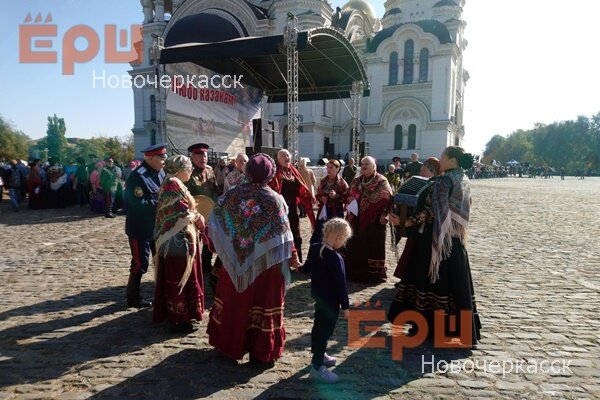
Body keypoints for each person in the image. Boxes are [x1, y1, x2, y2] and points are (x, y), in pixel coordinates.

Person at [207, 153, 300, 364]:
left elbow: (213, 224)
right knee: (263, 302)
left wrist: (219, 246)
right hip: (267, 264)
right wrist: (293, 257)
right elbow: (286, 236)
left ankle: (229, 343)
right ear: (270, 174)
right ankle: (262, 350)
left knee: (235, 300)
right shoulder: (275, 200)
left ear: (248, 172)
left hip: (234, 262)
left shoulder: (230, 196)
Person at [388, 147, 481, 346]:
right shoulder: (464, 178)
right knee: (454, 285)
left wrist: (403, 223)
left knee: (429, 282)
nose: (440, 160)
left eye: (443, 157)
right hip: (454, 241)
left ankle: (428, 327)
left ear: (453, 161)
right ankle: (455, 329)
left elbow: (431, 213)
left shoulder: (443, 181)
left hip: (435, 241)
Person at [153, 155, 205, 334]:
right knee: (178, 278)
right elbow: (181, 211)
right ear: (181, 169)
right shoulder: (172, 183)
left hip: (180, 238)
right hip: (175, 240)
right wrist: (198, 218)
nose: (190, 170)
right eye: (189, 167)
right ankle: (178, 318)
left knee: (184, 276)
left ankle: (186, 314)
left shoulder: (173, 182)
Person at [298, 218, 352, 383]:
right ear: (339, 238)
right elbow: (340, 285)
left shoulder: (315, 249)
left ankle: (319, 354)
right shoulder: (336, 259)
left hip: (319, 299)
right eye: (343, 240)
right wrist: (346, 306)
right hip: (331, 303)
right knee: (325, 332)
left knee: (318, 327)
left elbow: (306, 268)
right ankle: (317, 367)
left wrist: (297, 266)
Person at [124, 143, 167, 308]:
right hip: (140, 228)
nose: (164, 160)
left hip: (156, 226)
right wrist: (162, 203)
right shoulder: (137, 176)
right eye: (161, 157)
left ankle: (161, 292)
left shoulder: (160, 172)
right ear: (150, 158)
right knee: (140, 263)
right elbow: (137, 203)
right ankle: (133, 297)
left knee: (160, 260)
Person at [342, 156, 393, 284]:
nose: (364, 166)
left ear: (374, 166)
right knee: (355, 245)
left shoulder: (382, 181)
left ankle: (372, 275)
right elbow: (348, 194)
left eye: (367, 164)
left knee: (372, 246)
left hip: (374, 221)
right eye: (362, 164)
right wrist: (348, 199)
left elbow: (388, 199)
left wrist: (385, 214)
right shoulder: (357, 180)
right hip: (355, 219)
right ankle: (353, 273)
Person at [269, 149, 315, 262]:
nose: (287, 157)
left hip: (293, 208)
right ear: (278, 159)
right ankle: (282, 261)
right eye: (284, 156)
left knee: (296, 233)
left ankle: (297, 260)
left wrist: (309, 197)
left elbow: (301, 188)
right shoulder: (274, 173)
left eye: (288, 155)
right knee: (281, 235)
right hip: (279, 210)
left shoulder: (293, 171)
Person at [186, 143, 218, 272]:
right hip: (193, 214)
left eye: (204, 155)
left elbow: (215, 190)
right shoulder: (188, 173)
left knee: (208, 240)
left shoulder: (210, 171)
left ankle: (205, 264)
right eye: (199, 156)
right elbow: (185, 194)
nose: (203, 158)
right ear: (193, 157)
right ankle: (192, 267)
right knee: (193, 241)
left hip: (209, 213)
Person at [310, 159, 349, 244]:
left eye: (331, 167)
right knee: (321, 232)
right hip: (324, 211)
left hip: (336, 212)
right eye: (327, 167)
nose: (328, 169)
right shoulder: (323, 181)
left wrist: (336, 196)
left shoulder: (342, 183)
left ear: (337, 169)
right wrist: (321, 198)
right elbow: (318, 195)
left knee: (334, 234)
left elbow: (347, 198)